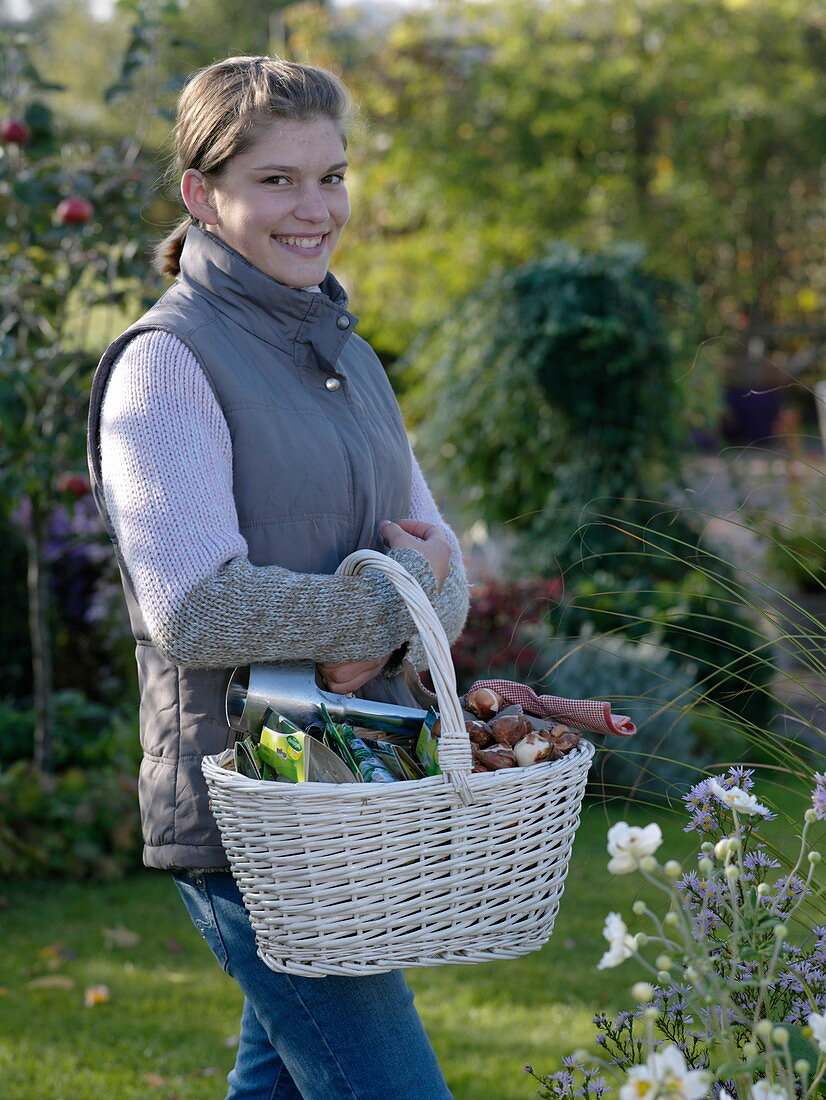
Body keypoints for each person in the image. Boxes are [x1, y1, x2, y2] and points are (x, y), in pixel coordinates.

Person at [86, 55, 468, 1100]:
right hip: (252, 805)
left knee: (284, 1082)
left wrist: (391, 612)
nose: (318, 208)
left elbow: (450, 567)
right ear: (201, 196)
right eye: (278, 180)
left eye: (332, 175)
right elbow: (195, 605)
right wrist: (386, 605)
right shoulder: (168, 362)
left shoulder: (347, 352)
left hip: (351, 794)